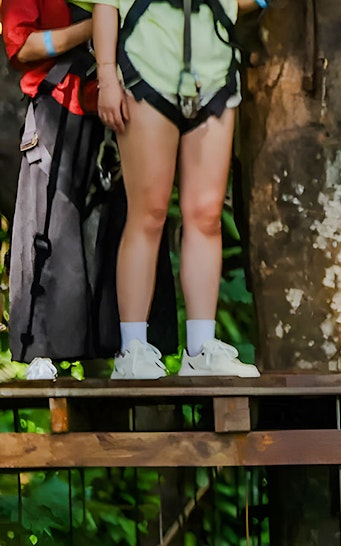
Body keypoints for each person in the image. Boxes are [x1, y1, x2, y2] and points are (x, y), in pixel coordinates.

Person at [88, 0, 261, 379]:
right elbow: (105, 5)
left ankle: (201, 348)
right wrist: (106, 77)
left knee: (207, 214)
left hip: (214, 73)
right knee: (148, 214)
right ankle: (132, 348)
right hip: (146, 70)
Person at [3, 0, 108, 380]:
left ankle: (121, 346)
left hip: (111, 108)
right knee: (45, 228)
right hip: (55, 103)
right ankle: (40, 350)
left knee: (107, 234)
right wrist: (97, 25)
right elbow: (22, 47)